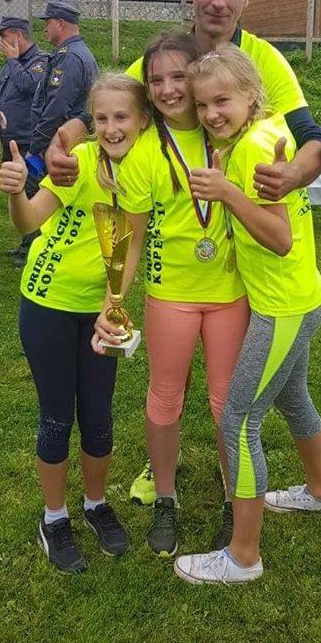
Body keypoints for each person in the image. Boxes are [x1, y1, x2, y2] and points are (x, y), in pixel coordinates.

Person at [44, 0, 321, 504]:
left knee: (233, 394)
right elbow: (100, 113)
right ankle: (169, 469)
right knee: (174, 380)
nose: (218, 0)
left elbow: (310, 137)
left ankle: (247, 479)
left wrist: (293, 175)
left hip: (252, 268)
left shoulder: (265, 60)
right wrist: (62, 142)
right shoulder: (162, 59)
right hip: (179, 269)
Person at [173, 44, 321, 584]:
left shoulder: (253, 151)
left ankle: (243, 556)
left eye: (221, 101)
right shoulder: (264, 133)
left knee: (238, 421)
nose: (210, 114)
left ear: (251, 95)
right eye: (202, 105)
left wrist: (225, 193)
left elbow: (280, 238)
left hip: (283, 306)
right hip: (300, 297)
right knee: (293, 398)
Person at [92, 31, 250, 558]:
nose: (167, 89)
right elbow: (129, 235)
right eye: (155, 80)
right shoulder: (143, 153)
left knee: (227, 402)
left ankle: (234, 498)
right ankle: (166, 497)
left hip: (230, 293)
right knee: (164, 398)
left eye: (178, 76)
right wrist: (113, 298)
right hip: (171, 296)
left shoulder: (226, 130)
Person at [0, 73, 150, 573]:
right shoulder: (81, 161)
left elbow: (128, 242)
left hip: (97, 312)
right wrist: (16, 193)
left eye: (121, 117)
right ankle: (54, 517)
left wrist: (112, 305)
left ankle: (95, 505)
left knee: (99, 416)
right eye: (101, 117)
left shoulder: (143, 171)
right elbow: (28, 221)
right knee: (57, 416)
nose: (110, 128)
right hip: (47, 306)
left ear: (143, 121)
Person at [0, 16, 48, 267]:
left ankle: (33, 248)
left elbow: (28, 86)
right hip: (10, 138)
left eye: (4, 36)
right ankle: (25, 243)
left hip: (28, 142)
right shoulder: (11, 65)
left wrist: (13, 60)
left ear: (18, 36)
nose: (0, 42)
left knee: (31, 190)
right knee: (17, 191)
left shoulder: (40, 62)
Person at [29, 1, 98, 174]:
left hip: (61, 143)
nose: (44, 29)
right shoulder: (81, 52)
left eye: (47, 23)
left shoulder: (69, 57)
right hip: (73, 140)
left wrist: (37, 145)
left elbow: (57, 107)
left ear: (60, 24)